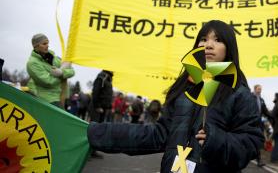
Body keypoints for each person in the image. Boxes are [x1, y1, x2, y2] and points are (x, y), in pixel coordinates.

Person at [87, 20, 263, 172]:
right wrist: (96, 133)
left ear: (229, 48)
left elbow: (251, 143)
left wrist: (214, 140)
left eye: (217, 40)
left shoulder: (240, 94)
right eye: (203, 39)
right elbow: (159, 134)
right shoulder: (184, 89)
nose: (208, 45)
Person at [26, 33, 75, 107]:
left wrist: (61, 72)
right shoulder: (32, 63)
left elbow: (72, 71)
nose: (47, 45)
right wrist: (62, 75)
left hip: (61, 99)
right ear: (36, 46)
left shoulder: (54, 58)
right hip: (46, 101)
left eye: (47, 43)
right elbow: (48, 82)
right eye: (44, 43)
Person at [252, 84, 271, 167]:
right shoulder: (250, 98)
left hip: (258, 123)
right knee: (250, 139)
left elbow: (265, 111)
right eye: (258, 89)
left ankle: (258, 159)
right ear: (255, 89)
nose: (260, 90)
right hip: (250, 122)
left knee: (257, 140)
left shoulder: (261, 100)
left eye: (260, 89)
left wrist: (273, 116)